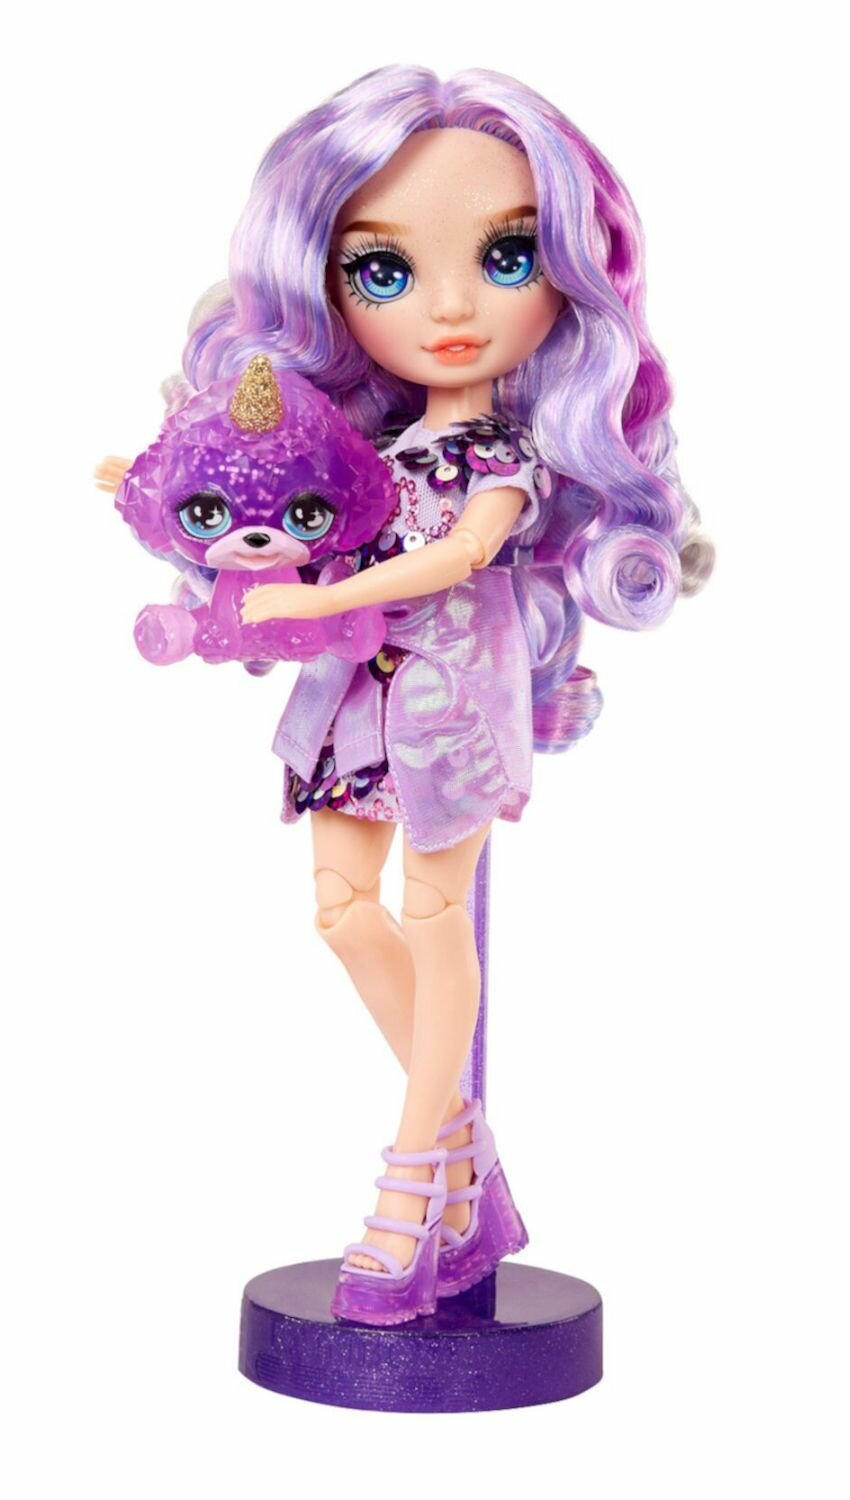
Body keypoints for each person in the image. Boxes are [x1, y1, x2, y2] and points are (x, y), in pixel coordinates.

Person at [176, 66, 712, 1324]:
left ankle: (418, 1179)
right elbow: (309, 532)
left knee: (433, 918)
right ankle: (472, 1159)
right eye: (384, 270)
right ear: (321, 288)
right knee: (339, 910)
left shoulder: (500, 450)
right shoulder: (367, 446)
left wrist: (316, 598)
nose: (454, 307)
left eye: (507, 257)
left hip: (449, 708)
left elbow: (460, 555)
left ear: (570, 278)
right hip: (346, 706)